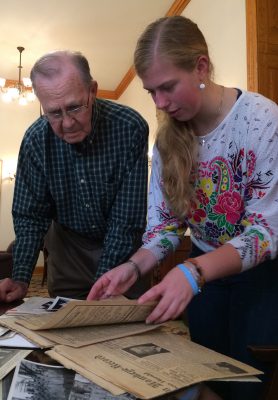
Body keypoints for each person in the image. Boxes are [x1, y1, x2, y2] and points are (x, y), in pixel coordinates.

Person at [87, 16, 278, 400]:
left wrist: (193, 271)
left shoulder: (262, 120)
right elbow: (164, 228)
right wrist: (132, 267)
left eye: (168, 87)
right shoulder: (167, 142)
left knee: (249, 386)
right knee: (207, 377)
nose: (160, 103)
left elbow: (265, 233)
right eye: (151, 91)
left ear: (201, 67)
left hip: (261, 280)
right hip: (204, 278)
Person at [0, 50, 149, 302]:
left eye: (74, 107)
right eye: (54, 113)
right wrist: (21, 277)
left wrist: (104, 282)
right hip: (68, 250)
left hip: (124, 249)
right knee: (65, 329)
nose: (67, 123)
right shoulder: (36, 140)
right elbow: (30, 216)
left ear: (92, 90)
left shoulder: (129, 128)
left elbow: (126, 221)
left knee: (123, 323)